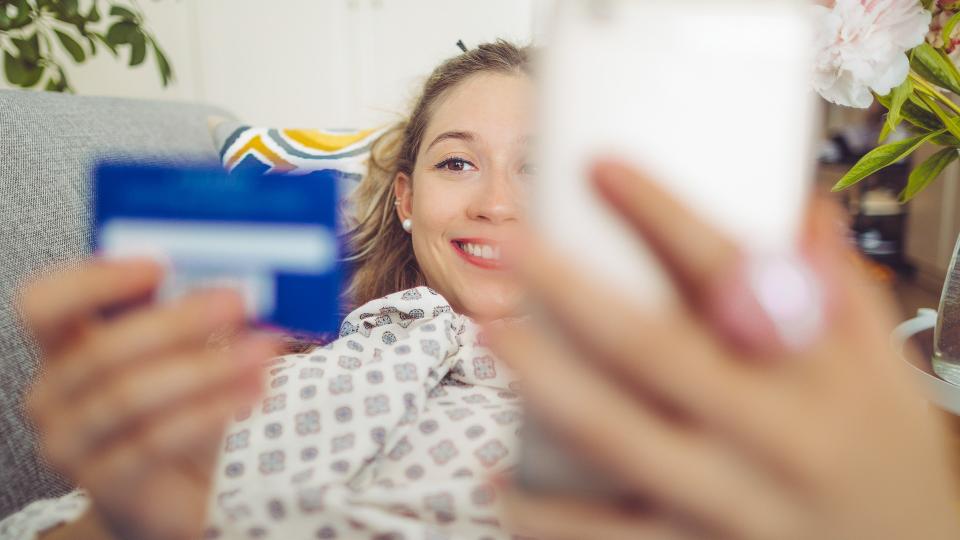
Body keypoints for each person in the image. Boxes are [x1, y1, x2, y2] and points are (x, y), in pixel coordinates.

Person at [1, 38, 957, 540]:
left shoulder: (667, 408)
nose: (497, 203)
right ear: (407, 201)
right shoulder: (250, 377)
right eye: (459, 165)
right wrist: (117, 531)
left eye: (539, 169)